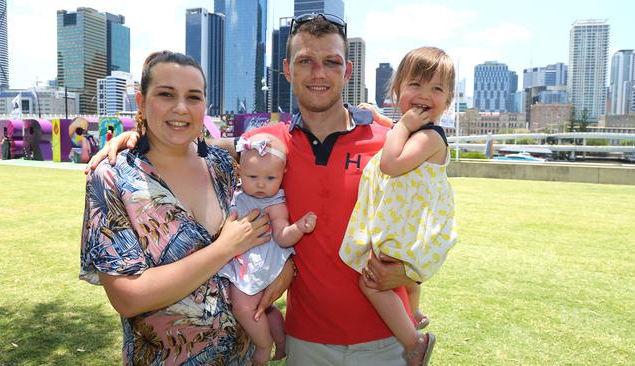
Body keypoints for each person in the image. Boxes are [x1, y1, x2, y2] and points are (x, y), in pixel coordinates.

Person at [88, 14, 428, 366]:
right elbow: (191, 141)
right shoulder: (267, 148)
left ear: (348, 70)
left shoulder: (388, 145)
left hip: (383, 340)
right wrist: (138, 138)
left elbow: (433, 221)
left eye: (331, 62)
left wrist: (411, 271)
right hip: (305, 340)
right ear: (286, 69)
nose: (318, 73)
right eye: (305, 61)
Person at [79, 50, 295, 365]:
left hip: (242, 356)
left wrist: (287, 270)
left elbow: (278, 155)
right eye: (166, 94)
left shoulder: (222, 165)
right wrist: (224, 248)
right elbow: (127, 297)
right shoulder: (113, 178)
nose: (181, 108)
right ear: (141, 101)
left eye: (193, 97)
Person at [339, 46, 458, 365]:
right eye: (415, 85)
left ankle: (414, 343)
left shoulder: (430, 137)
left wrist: (402, 125)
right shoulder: (411, 132)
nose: (425, 94)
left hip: (405, 233)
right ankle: (415, 312)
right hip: (407, 229)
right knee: (403, 277)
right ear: (397, 91)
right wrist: (381, 118)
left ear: (447, 101)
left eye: (436, 88)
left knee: (373, 283)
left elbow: (391, 163)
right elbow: (395, 132)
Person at [220, 132, 317, 365]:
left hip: (259, 263)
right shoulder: (237, 192)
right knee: (266, 307)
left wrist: (299, 228)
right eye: (252, 176)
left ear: (283, 175)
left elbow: (283, 237)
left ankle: (263, 346)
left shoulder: (274, 204)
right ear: (239, 170)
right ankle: (281, 340)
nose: (261, 184)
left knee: (243, 306)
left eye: (270, 178)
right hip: (242, 257)